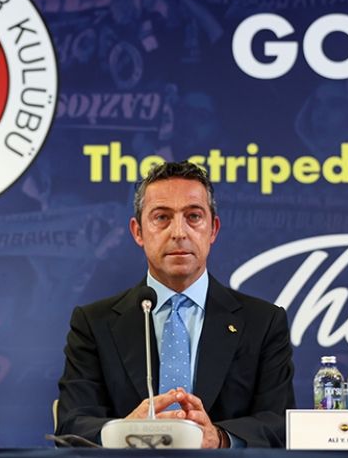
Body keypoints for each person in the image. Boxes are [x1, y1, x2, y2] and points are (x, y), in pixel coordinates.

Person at [56, 161, 294, 448]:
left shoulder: (263, 322)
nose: (179, 232)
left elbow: (279, 424)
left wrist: (219, 438)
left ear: (213, 229)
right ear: (138, 232)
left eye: (193, 216)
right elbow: (71, 423)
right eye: (162, 217)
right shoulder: (94, 323)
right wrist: (123, 432)